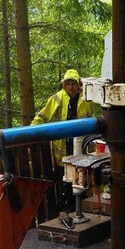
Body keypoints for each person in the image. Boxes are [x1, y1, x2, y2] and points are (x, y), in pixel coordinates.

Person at [31, 68, 96, 214]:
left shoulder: (86, 98)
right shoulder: (58, 98)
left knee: (80, 178)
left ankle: (80, 207)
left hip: (80, 146)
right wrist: (30, 131)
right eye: (68, 84)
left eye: (73, 84)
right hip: (63, 147)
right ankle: (66, 209)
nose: (70, 87)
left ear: (78, 84)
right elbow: (42, 115)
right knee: (64, 180)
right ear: (64, 85)